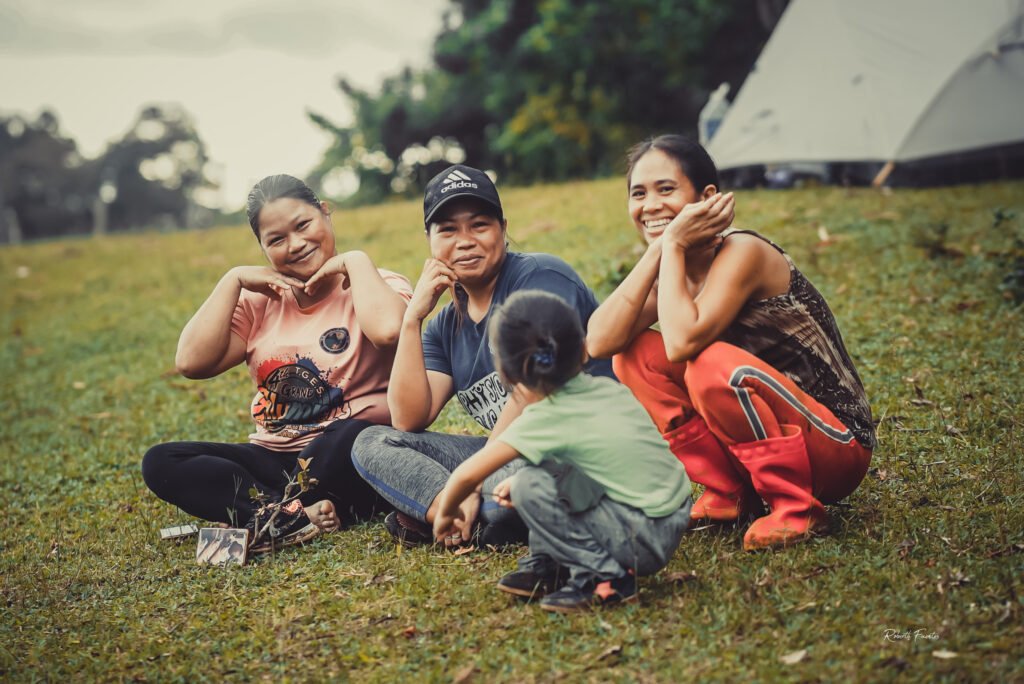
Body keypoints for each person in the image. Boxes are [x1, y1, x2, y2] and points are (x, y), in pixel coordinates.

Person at [587, 135, 875, 551]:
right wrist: (662, 251)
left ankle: (796, 507)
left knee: (707, 363)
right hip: (773, 433)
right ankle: (729, 494)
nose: (649, 205)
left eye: (666, 189)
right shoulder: (677, 267)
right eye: (638, 193)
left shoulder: (743, 251)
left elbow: (683, 343)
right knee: (632, 356)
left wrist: (671, 245)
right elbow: (599, 341)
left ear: (707, 197)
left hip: (837, 445)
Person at [351, 164, 615, 549]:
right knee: (372, 442)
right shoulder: (444, 326)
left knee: (505, 497)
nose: (465, 241)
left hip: (575, 447)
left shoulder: (540, 277)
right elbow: (408, 419)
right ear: (429, 240)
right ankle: (451, 510)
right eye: (448, 230)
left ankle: (465, 510)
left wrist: (471, 476)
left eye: (479, 225)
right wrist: (412, 320)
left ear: (503, 230)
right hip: (507, 454)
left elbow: (532, 393)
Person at [141, 174, 411, 549]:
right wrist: (232, 280)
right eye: (277, 239)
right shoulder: (259, 303)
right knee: (161, 461)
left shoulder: (374, 282)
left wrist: (354, 261)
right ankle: (293, 515)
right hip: (273, 454)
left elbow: (389, 331)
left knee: (351, 433)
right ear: (263, 248)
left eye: (304, 225)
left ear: (326, 213)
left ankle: (270, 513)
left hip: (347, 454)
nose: (296, 244)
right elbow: (191, 362)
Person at [432, 290, 692, 613]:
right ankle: (552, 562)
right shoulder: (606, 389)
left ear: (508, 375)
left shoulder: (545, 418)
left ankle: (605, 578)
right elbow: (604, 460)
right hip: (674, 511)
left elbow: (467, 475)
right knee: (539, 472)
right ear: (583, 351)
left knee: (529, 485)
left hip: (645, 537)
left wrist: (445, 515)